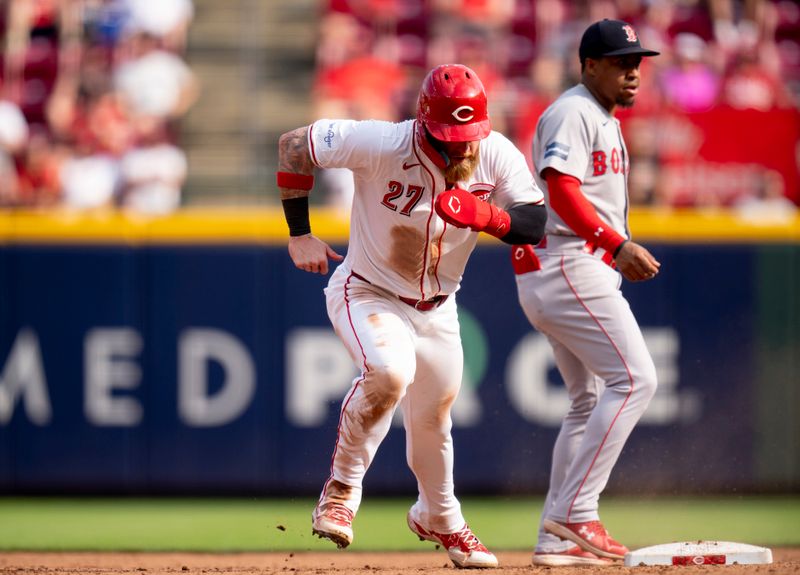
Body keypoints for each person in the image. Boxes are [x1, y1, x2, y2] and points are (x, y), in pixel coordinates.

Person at [277, 63, 546, 569]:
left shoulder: (495, 152)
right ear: (425, 124)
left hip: (440, 309)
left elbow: (534, 222)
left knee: (433, 420)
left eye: (472, 134)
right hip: (368, 292)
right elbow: (295, 144)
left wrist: (491, 216)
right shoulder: (382, 143)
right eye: (453, 136)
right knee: (390, 372)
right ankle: (341, 490)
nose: (465, 146)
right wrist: (298, 232)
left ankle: (440, 517)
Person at [511, 19, 661, 567]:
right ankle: (577, 510)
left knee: (587, 402)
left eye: (637, 62)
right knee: (637, 379)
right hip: (571, 260)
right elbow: (560, 187)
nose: (632, 72)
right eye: (621, 62)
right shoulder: (575, 110)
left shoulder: (600, 116)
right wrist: (614, 242)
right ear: (589, 64)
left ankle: (555, 540)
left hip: (565, 266)